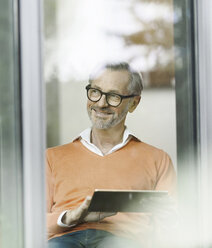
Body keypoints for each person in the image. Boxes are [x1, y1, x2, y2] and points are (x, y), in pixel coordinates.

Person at [46, 62, 177, 248]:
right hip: (62, 240)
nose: (101, 103)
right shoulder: (51, 158)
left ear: (134, 103)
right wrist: (71, 216)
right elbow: (30, 223)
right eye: (95, 92)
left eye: (113, 96)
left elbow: (170, 226)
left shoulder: (158, 160)